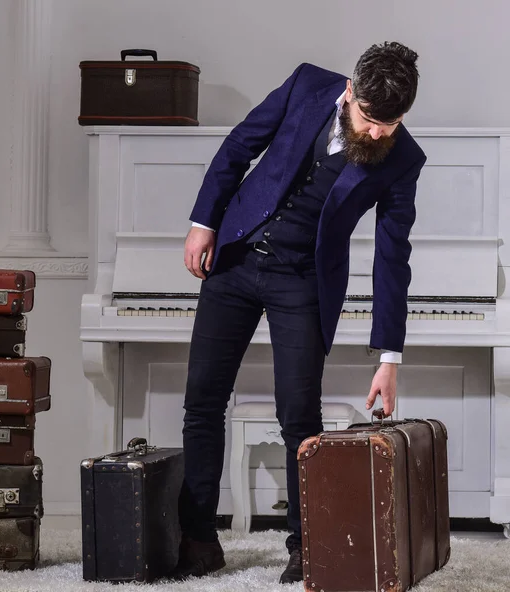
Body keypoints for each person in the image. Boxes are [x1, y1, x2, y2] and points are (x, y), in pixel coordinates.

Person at [171, 41, 426, 584]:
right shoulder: (307, 84)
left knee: (300, 419)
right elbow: (241, 144)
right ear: (350, 93)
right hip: (236, 258)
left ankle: (304, 547)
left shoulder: (404, 159)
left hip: (303, 282)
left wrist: (389, 356)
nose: (380, 133)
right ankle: (198, 538)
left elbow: (392, 257)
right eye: (371, 119)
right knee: (202, 402)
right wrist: (203, 221)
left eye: (393, 123)